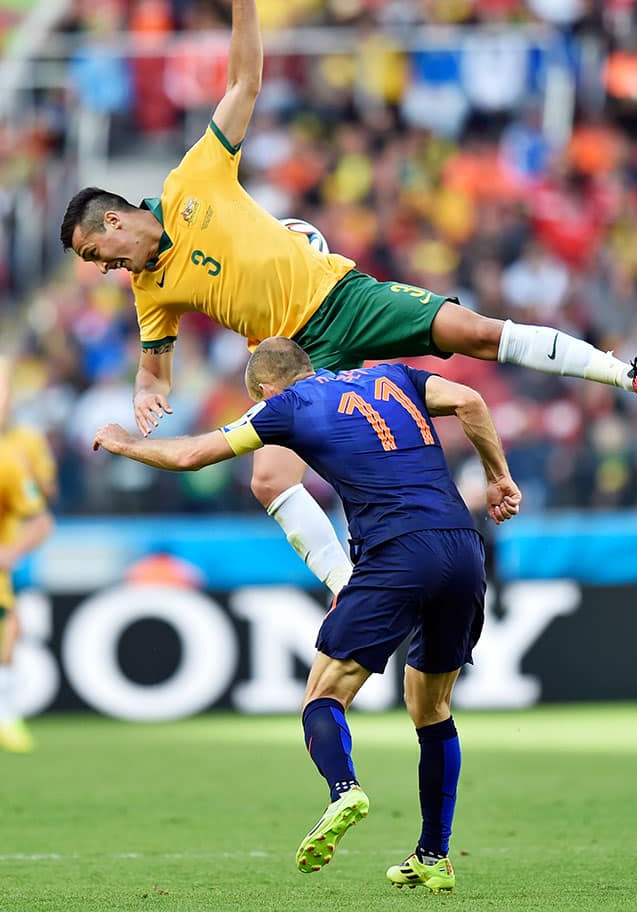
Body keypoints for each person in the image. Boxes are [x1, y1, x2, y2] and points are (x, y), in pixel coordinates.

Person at [63, 0, 637, 599]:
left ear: (116, 221)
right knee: (269, 479)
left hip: (343, 296)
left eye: (97, 253)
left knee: (472, 331)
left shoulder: (193, 182)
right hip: (296, 362)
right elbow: (155, 366)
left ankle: (627, 372)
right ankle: (351, 589)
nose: (102, 269)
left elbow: (244, 83)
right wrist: (146, 389)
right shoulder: (148, 291)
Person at [93, 336, 522, 892]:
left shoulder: (285, 407)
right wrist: (498, 477)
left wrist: (125, 444)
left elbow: (192, 455)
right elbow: (471, 401)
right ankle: (434, 855)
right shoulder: (394, 377)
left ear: (265, 389)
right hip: (464, 549)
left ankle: (345, 789)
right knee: (431, 705)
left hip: (396, 551)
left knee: (323, 697)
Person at [0, 362, 55, 752]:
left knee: (11, 625)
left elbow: (43, 505)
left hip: (11, 550)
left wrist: (11, 552)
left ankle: (6, 714)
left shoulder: (17, 451)